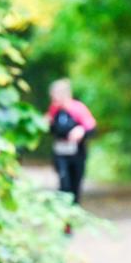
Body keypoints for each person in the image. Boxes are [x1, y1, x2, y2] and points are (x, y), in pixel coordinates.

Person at [46, 78, 96, 208]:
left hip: (77, 154)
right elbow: (48, 125)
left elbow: (91, 127)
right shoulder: (54, 110)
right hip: (60, 153)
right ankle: (64, 217)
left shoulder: (78, 109)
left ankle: (73, 214)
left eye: (55, 95)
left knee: (75, 185)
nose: (53, 98)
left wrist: (81, 130)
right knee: (64, 184)